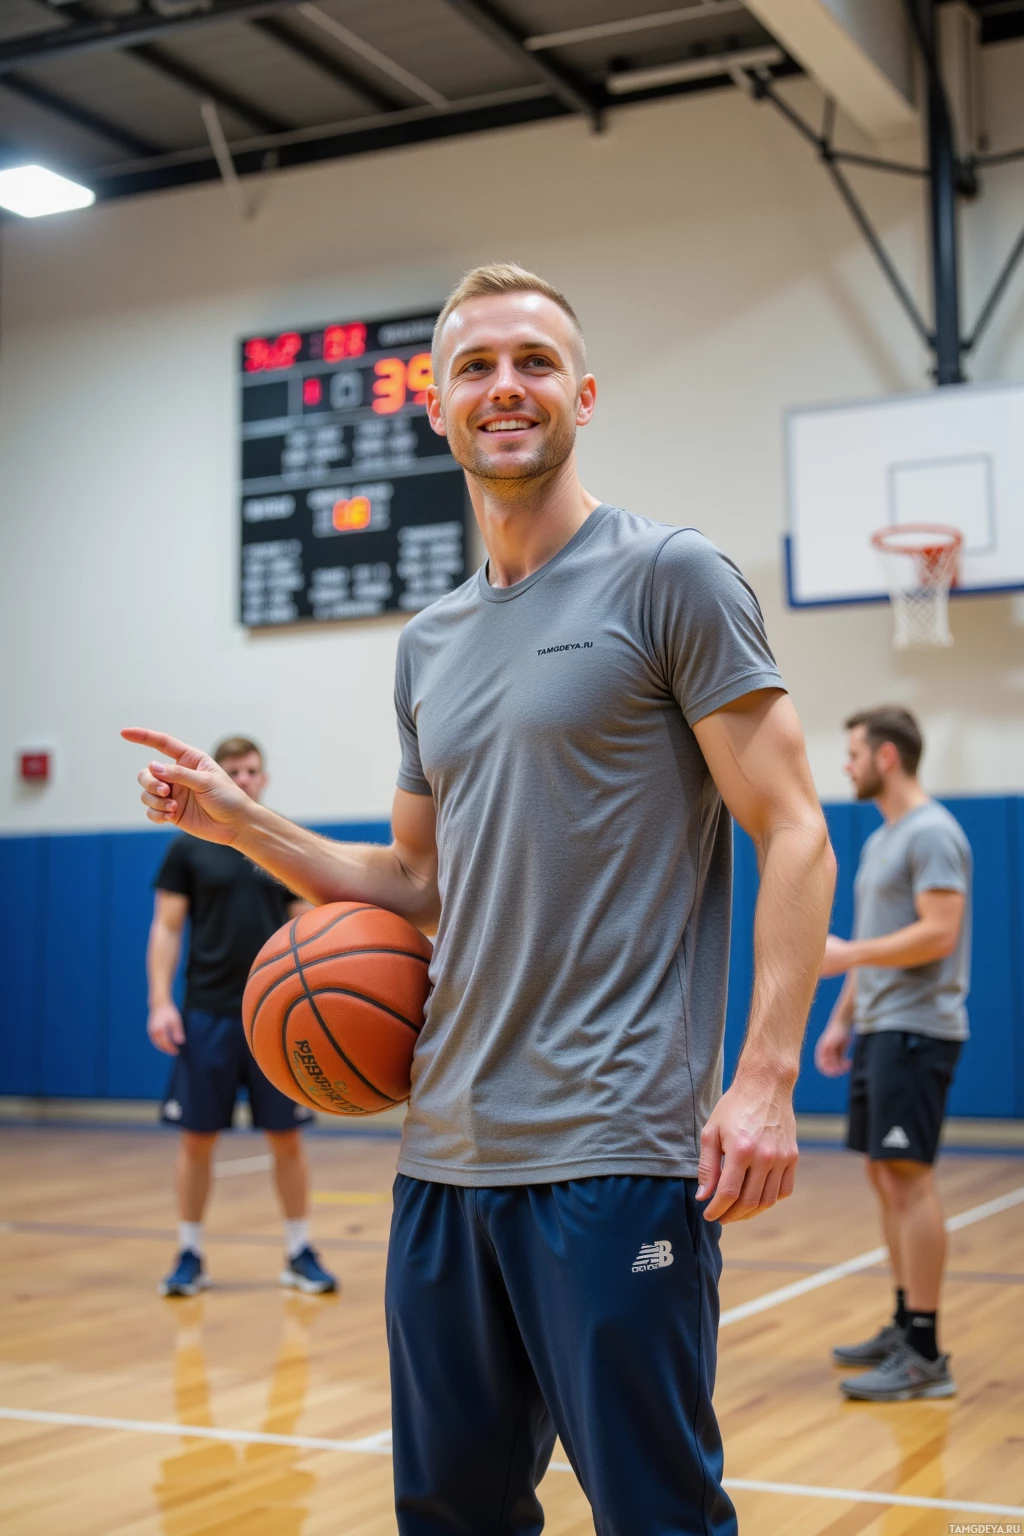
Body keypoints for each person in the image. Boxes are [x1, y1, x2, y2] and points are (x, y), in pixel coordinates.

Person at [124, 264, 835, 1534]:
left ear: (583, 395)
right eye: (476, 367)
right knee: (451, 1513)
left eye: (534, 362)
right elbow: (414, 884)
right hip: (444, 1154)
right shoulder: (430, 641)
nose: (505, 386)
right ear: (438, 411)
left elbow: (792, 831)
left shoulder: (670, 577)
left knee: (655, 1514)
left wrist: (766, 1075)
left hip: (615, 1146)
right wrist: (240, 823)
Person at [816, 706, 971, 1402]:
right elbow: (875, 938)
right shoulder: (885, 839)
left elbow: (939, 934)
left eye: (853, 753)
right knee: (886, 1177)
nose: (844, 765)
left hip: (918, 1027)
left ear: (886, 757)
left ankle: (927, 1351)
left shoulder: (934, 833)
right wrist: (843, 1016)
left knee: (909, 1178)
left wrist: (851, 955)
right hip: (881, 1023)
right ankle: (906, 1320)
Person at [148, 735, 337, 1299]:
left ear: (264, 777)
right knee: (196, 1140)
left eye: (252, 770)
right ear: (215, 775)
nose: (244, 779)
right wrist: (160, 1000)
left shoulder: (278, 839)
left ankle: (299, 1250)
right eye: (233, 770)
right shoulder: (188, 847)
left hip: (274, 1019)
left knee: (287, 1139)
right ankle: (189, 1252)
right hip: (207, 1011)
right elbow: (167, 926)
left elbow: (308, 923)